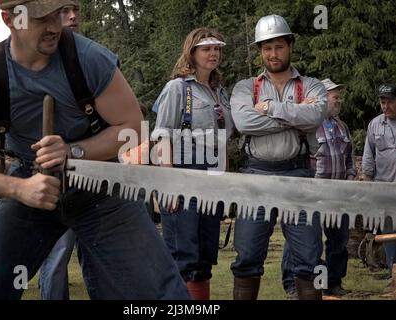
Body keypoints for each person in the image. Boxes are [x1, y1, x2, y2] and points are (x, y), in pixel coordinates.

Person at [0, 0, 189, 300]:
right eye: (40, 19)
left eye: (57, 14)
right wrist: (19, 189)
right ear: (9, 19)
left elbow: (133, 127)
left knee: (162, 294)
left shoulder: (89, 59)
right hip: (31, 185)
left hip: (100, 187)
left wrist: (74, 152)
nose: (54, 27)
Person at [230, 14, 327, 300]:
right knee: (246, 258)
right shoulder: (245, 87)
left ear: (290, 46)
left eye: (279, 47)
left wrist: (269, 106)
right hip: (255, 176)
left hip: (298, 175)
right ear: (260, 51)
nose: (273, 54)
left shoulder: (313, 86)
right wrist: (295, 115)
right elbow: (245, 123)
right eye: (266, 48)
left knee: (309, 259)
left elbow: (316, 115)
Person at [151, 27, 234, 299]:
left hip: (211, 174)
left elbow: (224, 140)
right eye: (207, 48)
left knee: (204, 255)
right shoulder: (177, 88)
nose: (214, 53)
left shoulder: (219, 92)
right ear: (192, 52)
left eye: (217, 49)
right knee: (183, 255)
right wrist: (169, 183)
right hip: (182, 171)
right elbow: (162, 135)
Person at [282, 78, 356, 297]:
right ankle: (293, 283)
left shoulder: (342, 126)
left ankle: (332, 282)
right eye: (335, 94)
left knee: (338, 242)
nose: (338, 98)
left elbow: (349, 157)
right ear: (322, 98)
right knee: (303, 240)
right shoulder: (308, 126)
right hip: (312, 194)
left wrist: (351, 174)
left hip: (338, 193)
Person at [37, 0, 80, 301]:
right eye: (65, 11)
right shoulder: (38, 61)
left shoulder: (92, 58)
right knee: (58, 252)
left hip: (92, 172)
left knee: (102, 258)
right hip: (53, 174)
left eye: (76, 9)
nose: (73, 16)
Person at [362, 83, 396, 295]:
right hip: (384, 190)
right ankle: (394, 274)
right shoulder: (375, 125)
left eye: (390, 101)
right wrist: (368, 186)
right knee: (389, 233)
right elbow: (368, 158)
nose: (385, 106)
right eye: (382, 102)